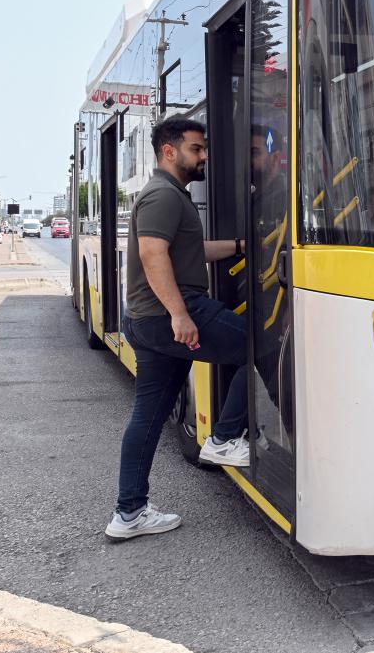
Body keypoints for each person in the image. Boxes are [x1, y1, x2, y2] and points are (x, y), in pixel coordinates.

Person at [106, 116, 249, 541]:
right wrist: (179, 315)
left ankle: (129, 513)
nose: (204, 156)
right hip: (170, 313)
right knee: (259, 346)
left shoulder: (169, 195)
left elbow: (188, 250)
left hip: (147, 321)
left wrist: (240, 247)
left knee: (148, 417)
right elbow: (153, 255)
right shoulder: (163, 195)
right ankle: (224, 438)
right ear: (169, 151)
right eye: (196, 149)